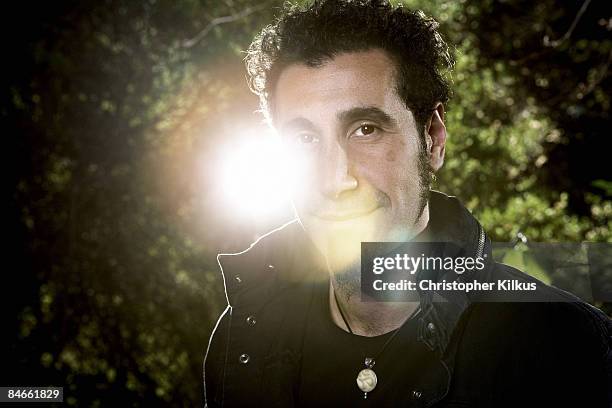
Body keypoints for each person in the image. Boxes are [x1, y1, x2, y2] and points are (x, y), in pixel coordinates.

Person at [203, 1, 612, 406]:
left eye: (366, 129)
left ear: (432, 138)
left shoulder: (566, 345)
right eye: (304, 140)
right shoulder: (242, 339)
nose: (334, 180)